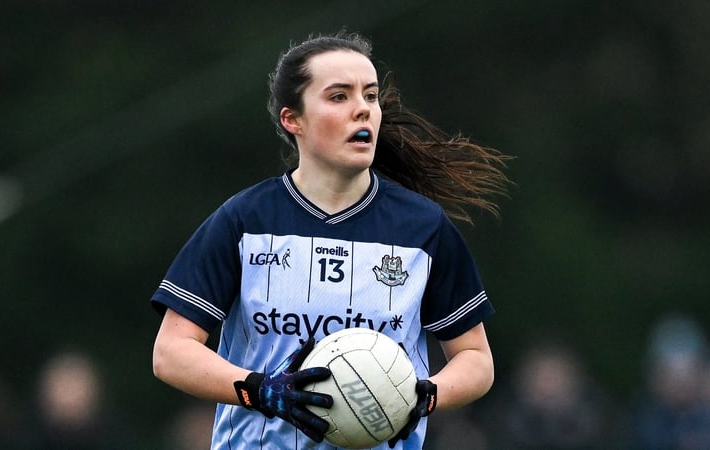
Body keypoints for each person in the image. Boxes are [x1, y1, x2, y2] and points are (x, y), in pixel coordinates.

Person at [151, 30, 511, 449]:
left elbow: (476, 359)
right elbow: (171, 352)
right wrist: (259, 389)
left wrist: (426, 396)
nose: (363, 110)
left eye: (371, 96)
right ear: (293, 119)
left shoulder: (423, 228)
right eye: (339, 96)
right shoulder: (245, 220)